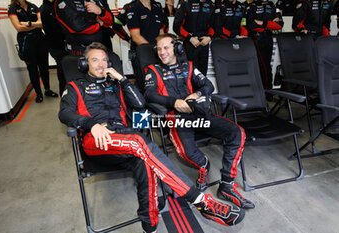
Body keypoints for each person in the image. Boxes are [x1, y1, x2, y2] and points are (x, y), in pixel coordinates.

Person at [58, 42, 245, 233]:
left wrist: (122, 80)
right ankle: (199, 200)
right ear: (84, 64)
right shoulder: (74, 87)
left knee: (145, 164)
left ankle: (150, 227)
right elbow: (64, 113)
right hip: (96, 140)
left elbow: (139, 104)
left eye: (104, 60)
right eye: (95, 60)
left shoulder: (115, 84)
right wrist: (91, 125)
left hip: (124, 138)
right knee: (141, 141)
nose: (101, 65)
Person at [144, 34, 255, 210]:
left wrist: (196, 95)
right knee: (187, 153)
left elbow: (208, 86)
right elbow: (149, 94)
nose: (162, 52)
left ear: (177, 48)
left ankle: (226, 186)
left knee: (237, 133)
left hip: (200, 115)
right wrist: (174, 102)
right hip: (177, 119)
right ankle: (204, 165)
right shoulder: (153, 70)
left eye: (166, 47)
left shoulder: (188, 66)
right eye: (158, 49)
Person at [8, 0, 58, 103]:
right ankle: (38, 94)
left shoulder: (33, 6)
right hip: (26, 41)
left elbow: (43, 24)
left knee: (44, 66)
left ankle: (47, 90)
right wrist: (36, 25)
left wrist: (29, 24)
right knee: (32, 69)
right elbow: (18, 28)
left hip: (40, 39)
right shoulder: (12, 8)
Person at [126, 0, 167, 91]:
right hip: (142, 55)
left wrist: (162, 48)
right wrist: (153, 49)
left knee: (160, 83)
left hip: (157, 53)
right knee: (145, 86)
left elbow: (161, 32)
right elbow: (136, 37)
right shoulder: (133, 9)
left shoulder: (157, 8)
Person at [247, 0, 283, 90]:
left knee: (267, 66)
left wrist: (263, 23)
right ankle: (263, 90)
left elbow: (279, 25)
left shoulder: (272, 5)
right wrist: (269, 25)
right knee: (261, 66)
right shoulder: (252, 6)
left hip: (268, 38)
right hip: (257, 39)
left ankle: (267, 90)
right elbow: (251, 25)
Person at [173, 0, 215, 76]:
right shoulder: (185, 3)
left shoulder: (210, 4)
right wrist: (189, 38)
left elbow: (214, 25)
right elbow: (177, 26)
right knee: (189, 73)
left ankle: (203, 88)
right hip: (190, 43)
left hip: (204, 43)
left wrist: (209, 37)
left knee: (202, 74)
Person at [40, 0, 67, 96]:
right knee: (63, 72)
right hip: (57, 46)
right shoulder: (45, 9)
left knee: (68, 71)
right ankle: (64, 97)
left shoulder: (58, 4)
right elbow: (56, 30)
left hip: (64, 44)